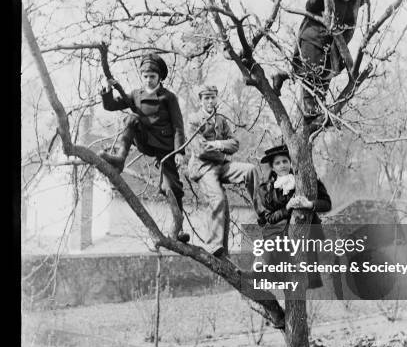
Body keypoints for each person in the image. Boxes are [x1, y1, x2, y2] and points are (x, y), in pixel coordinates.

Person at [272, 0, 376, 119]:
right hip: (314, 36)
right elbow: (310, 5)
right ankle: (310, 108)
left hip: (332, 41)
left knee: (326, 73)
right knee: (311, 73)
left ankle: (294, 85)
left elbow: (355, 5)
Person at [99, 53, 189, 243]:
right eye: (146, 76)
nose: (148, 80)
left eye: (152, 76)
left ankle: (179, 230)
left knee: (171, 186)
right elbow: (110, 106)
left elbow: (178, 126)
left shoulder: (168, 97)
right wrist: (108, 89)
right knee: (130, 119)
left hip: (165, 146)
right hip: (146, 140)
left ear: (160, 78)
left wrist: (179, 151)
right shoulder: (136, 94)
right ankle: (120, 158)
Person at [187, 85, 263, 258]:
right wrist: (222, 149)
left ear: (217, 98)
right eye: (206, 98)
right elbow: (200, 150)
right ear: (200, 100)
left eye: (213, 97)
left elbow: (235, 144)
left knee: (250, 170)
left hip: (222, 165)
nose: (210, 101)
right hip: (204, 168)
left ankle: (262, 212)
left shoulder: (221, 120)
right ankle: (214, 245)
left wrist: (218, 144)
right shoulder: (193, 120)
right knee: (218, 198)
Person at [256, 144, 332, 290]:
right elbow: (269, 218)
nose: (282, 165)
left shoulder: (308, 179)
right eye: (277, 163)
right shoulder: (267, 189)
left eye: (285, 161)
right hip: (279, 236)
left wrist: (310, 204)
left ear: (290, 162)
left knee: (301, 278)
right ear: (272, 167)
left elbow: (327, 203)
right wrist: (287, 207)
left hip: (305, 233)